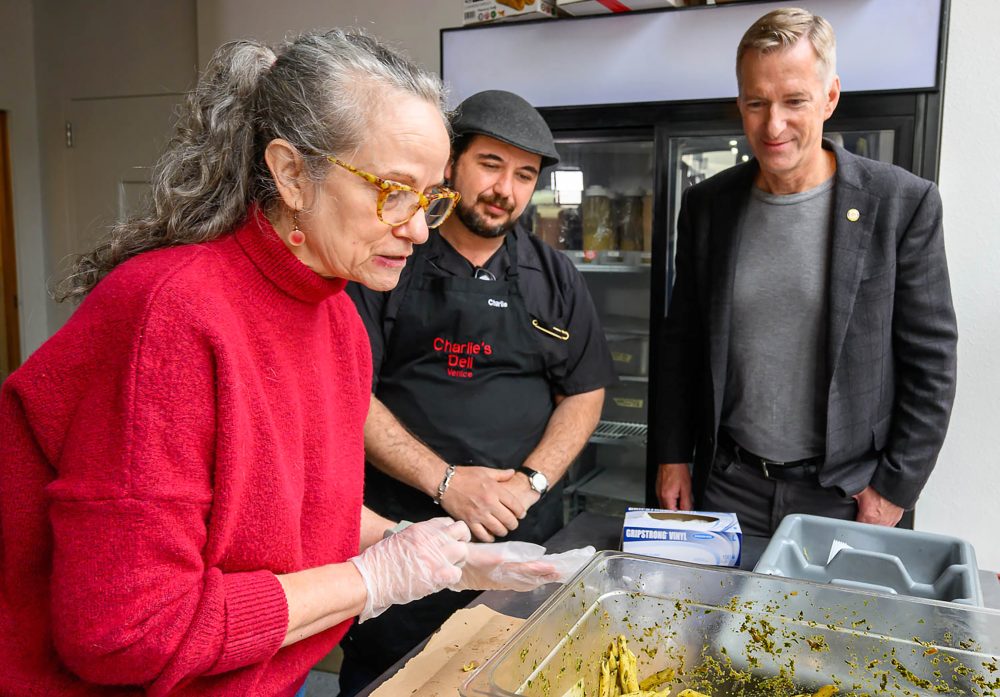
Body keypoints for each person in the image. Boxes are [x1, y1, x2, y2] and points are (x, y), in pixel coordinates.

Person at [0, 32, 586, 697]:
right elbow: (129, 632)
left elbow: (298, 509)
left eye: (429, 198)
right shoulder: (169, 315)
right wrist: (372, 580)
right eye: (392, 191)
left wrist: (433, 554)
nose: (420, 229)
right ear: (291, 172)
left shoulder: (336, 315)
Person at [342, 89, 616, 694]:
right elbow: (347, 394)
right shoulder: (392, 255)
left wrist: (530, 482)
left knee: (507, 677)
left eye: (524, 175)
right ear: (450, 164)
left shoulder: (553, 274)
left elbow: (585, 390)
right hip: (401, 537)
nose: (506, 191)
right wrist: (447, 481)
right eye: (490, 165)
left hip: (521, 538)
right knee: (390, 681)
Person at [654, 8, 957, 537]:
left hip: (847, 494)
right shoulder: (708, 205)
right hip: (728, 485)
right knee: (719, 623)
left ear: (830, 97)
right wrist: (674, 453)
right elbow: (681, 344)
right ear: (740, 104)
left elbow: (931, 363)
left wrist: (894, 490)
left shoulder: (901, 204)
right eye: (756, 103)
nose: (774, 125)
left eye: (794, 101)